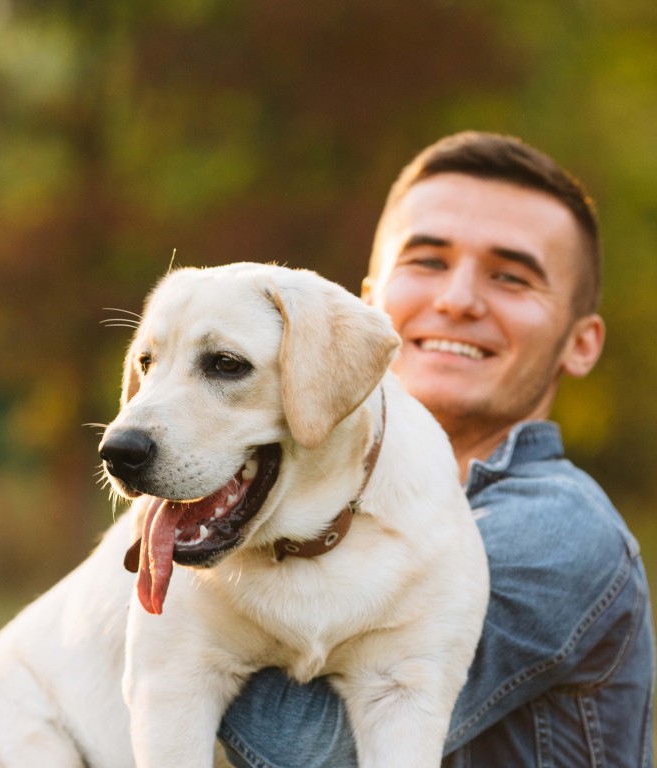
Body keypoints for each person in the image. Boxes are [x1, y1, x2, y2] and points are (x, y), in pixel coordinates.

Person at [217, 132, 656, 766]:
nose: (457, 300)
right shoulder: (327, 519)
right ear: (366, 304)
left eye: (511, 277)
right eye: (427, 262)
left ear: (580, 343)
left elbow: (318, 749)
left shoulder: (559, 532)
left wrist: (164, 601)